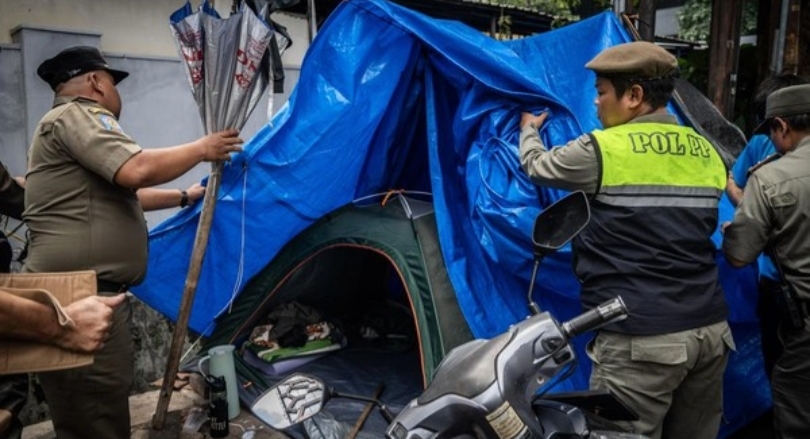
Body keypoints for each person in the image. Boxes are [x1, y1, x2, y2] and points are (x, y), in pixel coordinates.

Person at [22, 45, 243, 439]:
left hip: (78, 291)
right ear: (95, 81)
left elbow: (126, 194)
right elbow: (136, 169)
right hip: (81, 296)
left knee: (88, 412)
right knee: (96, 416)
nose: (113, 91)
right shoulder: (79, 115)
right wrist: (202, 148)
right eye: (110, 81)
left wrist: (182, 196)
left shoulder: (60, 128)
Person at [519, 41, 732, 439]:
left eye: (601, 92)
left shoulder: (603, 149)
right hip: (710, 332)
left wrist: (529, 129)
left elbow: (537, 166)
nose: (596, 104)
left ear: (634, 96)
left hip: (642, 341)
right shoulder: (707, 151)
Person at [722, 83, 810, 439]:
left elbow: (740, 256)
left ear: (782, 126)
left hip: (801, 320)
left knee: (795, 410)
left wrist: (736, 229)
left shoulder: (771, 176)